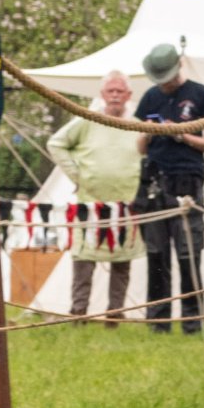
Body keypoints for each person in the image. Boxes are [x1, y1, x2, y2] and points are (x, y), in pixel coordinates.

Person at [47, 70, 147, 324]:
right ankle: (78, 313)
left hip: (127, 202)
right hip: (90, 203)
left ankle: (115, 315)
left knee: (122, 260)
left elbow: (147, 153)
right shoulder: (87, 121)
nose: (115, 96)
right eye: (110, 91)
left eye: (119, 91)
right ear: (102, 95)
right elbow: (56, 143)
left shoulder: (138, 124)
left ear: (128, 95)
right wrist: (77, 175)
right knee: (84, 258)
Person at [135, 44, 204, 334]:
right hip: (155, 183)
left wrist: (181, 134)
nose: (165, 83)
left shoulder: (202, 95)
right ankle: (158, 322)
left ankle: (192, 323)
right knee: (157, 254)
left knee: (188, 252)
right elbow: (139, 148)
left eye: (168, 77)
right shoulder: (150, 97)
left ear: (179, 66)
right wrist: (150, 132)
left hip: (187, 183)